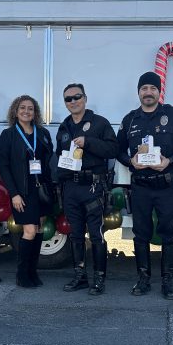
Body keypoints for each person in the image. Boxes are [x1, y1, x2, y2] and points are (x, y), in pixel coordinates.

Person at [117, 71, 173, 300]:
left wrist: (171, 161)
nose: (148, 92)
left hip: (166, 186)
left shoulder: (172, 115)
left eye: (152, 88)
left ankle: (168, 281)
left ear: (159, 92)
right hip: (140, 186)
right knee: (140, 234)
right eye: (144, 89)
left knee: (169, 234)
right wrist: (129, 161)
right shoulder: (130, 119)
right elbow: (117, 148)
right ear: (138, 92)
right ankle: (143, 279)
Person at [56, 83, 118, 295]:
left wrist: (88, 142)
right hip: (71, 187)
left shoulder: (100, 123)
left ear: (85, 98)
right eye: (68, 99)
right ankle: (79, 276)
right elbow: (59, 156)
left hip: (93, 186)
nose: (73, 101)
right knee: (75, 234)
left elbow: (113, 149)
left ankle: (99, 279)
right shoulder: (64, 127)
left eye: (77, 97)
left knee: (96, 234)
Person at [0, 95, 55, 288]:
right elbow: (4, 166)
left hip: (41, 189)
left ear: (35, 112)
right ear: (15, 111)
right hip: (22, 191)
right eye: (22, 108)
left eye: (30, 108)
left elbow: (48, 159)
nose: (26, 111)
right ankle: (22, 275)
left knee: (39, 229)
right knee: (29, 230)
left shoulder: (42, 133)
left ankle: (33, 271)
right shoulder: (8, 135)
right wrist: (13, 193)